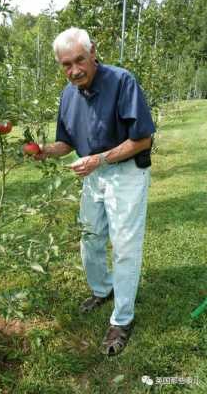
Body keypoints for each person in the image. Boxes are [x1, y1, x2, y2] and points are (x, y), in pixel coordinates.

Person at [34, 27, 155, 356]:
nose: (74, 70)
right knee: (90, 239)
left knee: (126, 248)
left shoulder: (121, 82)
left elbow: (142, 139)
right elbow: (67, 143)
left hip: (126, 172)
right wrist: (43, 150)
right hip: (94, 175)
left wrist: (99, 158)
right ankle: (104, 289)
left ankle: (122, 319)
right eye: (66, 64)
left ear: (93, 53)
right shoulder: (68, 95)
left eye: (79, 60)